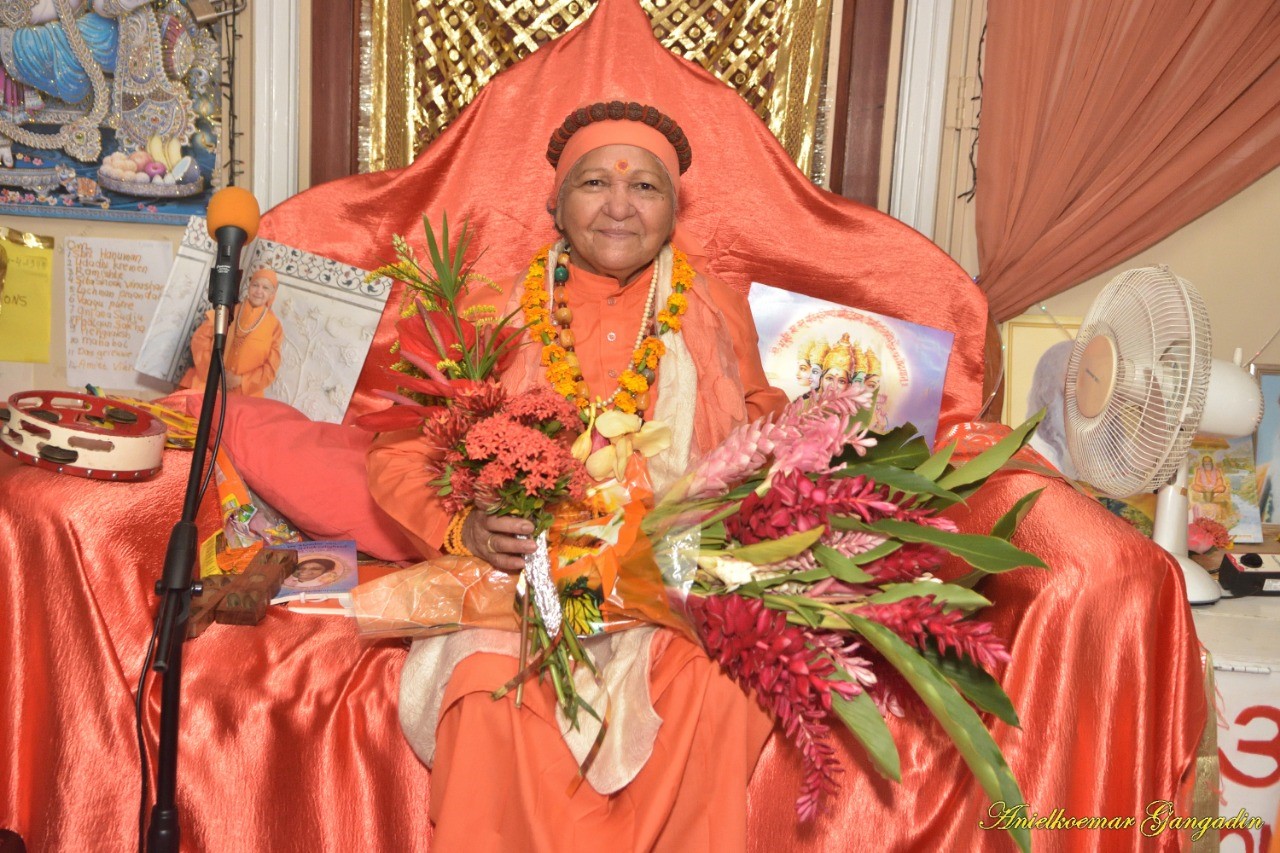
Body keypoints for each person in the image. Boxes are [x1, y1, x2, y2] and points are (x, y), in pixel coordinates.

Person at [367, 101, 789, 851]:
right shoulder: (490, 311)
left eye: (645, 187)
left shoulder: (718, 311)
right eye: (595, 183)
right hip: (520, 589)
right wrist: (467, 527)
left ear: (674, 210)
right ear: (555, 205)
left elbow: (761, 433)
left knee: (726, 683)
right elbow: (400, 450)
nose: (620, 206)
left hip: (667, 584)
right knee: (486, 689)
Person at [180, 267, 284, 396]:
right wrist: (213, 373)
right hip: (208, 382)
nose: (259, 291)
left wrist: (241, 381)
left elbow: (270, 368)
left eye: (265, 288)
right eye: (255, 285)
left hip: (243, 394)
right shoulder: (227, 309)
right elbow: (200, 339)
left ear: (272, 294)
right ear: (249, 286)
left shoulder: (275, 326)